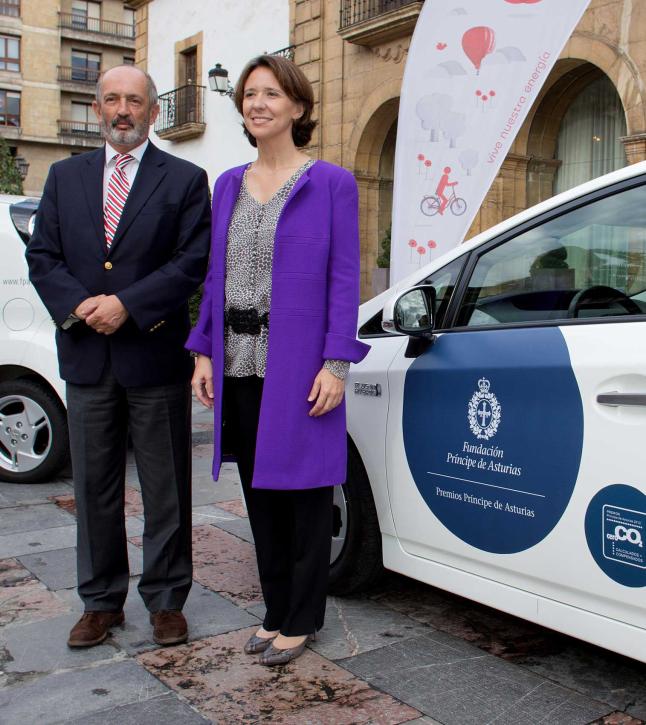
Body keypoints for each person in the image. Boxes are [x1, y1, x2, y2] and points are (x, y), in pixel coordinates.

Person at [187, 54, 370, 666]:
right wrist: (204, 351)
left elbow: (346, 279)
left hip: (298, 365)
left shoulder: (332, 183)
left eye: (270, 93)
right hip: (236, 358)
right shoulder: (228, 184)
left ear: (297, 105)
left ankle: (303, 616)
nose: (257, 103)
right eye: (248, 95)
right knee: (260, 491)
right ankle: (273, 609)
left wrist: (335, 364)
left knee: (306, 493)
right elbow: (216, 276)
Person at [26, 65, 211, 649]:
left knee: (166, 489)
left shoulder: (184, 178)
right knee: (94, 488)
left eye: (134, 100)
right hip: (86, 356)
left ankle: (165, 600)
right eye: (111, 99)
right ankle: (101, 602)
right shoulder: (63, 176)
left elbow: (190, 262)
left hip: (152, 355)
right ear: (98, 108)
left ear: (154, 112)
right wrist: (85, 306)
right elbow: (44, 257)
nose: (122, 110)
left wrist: (127, 305)